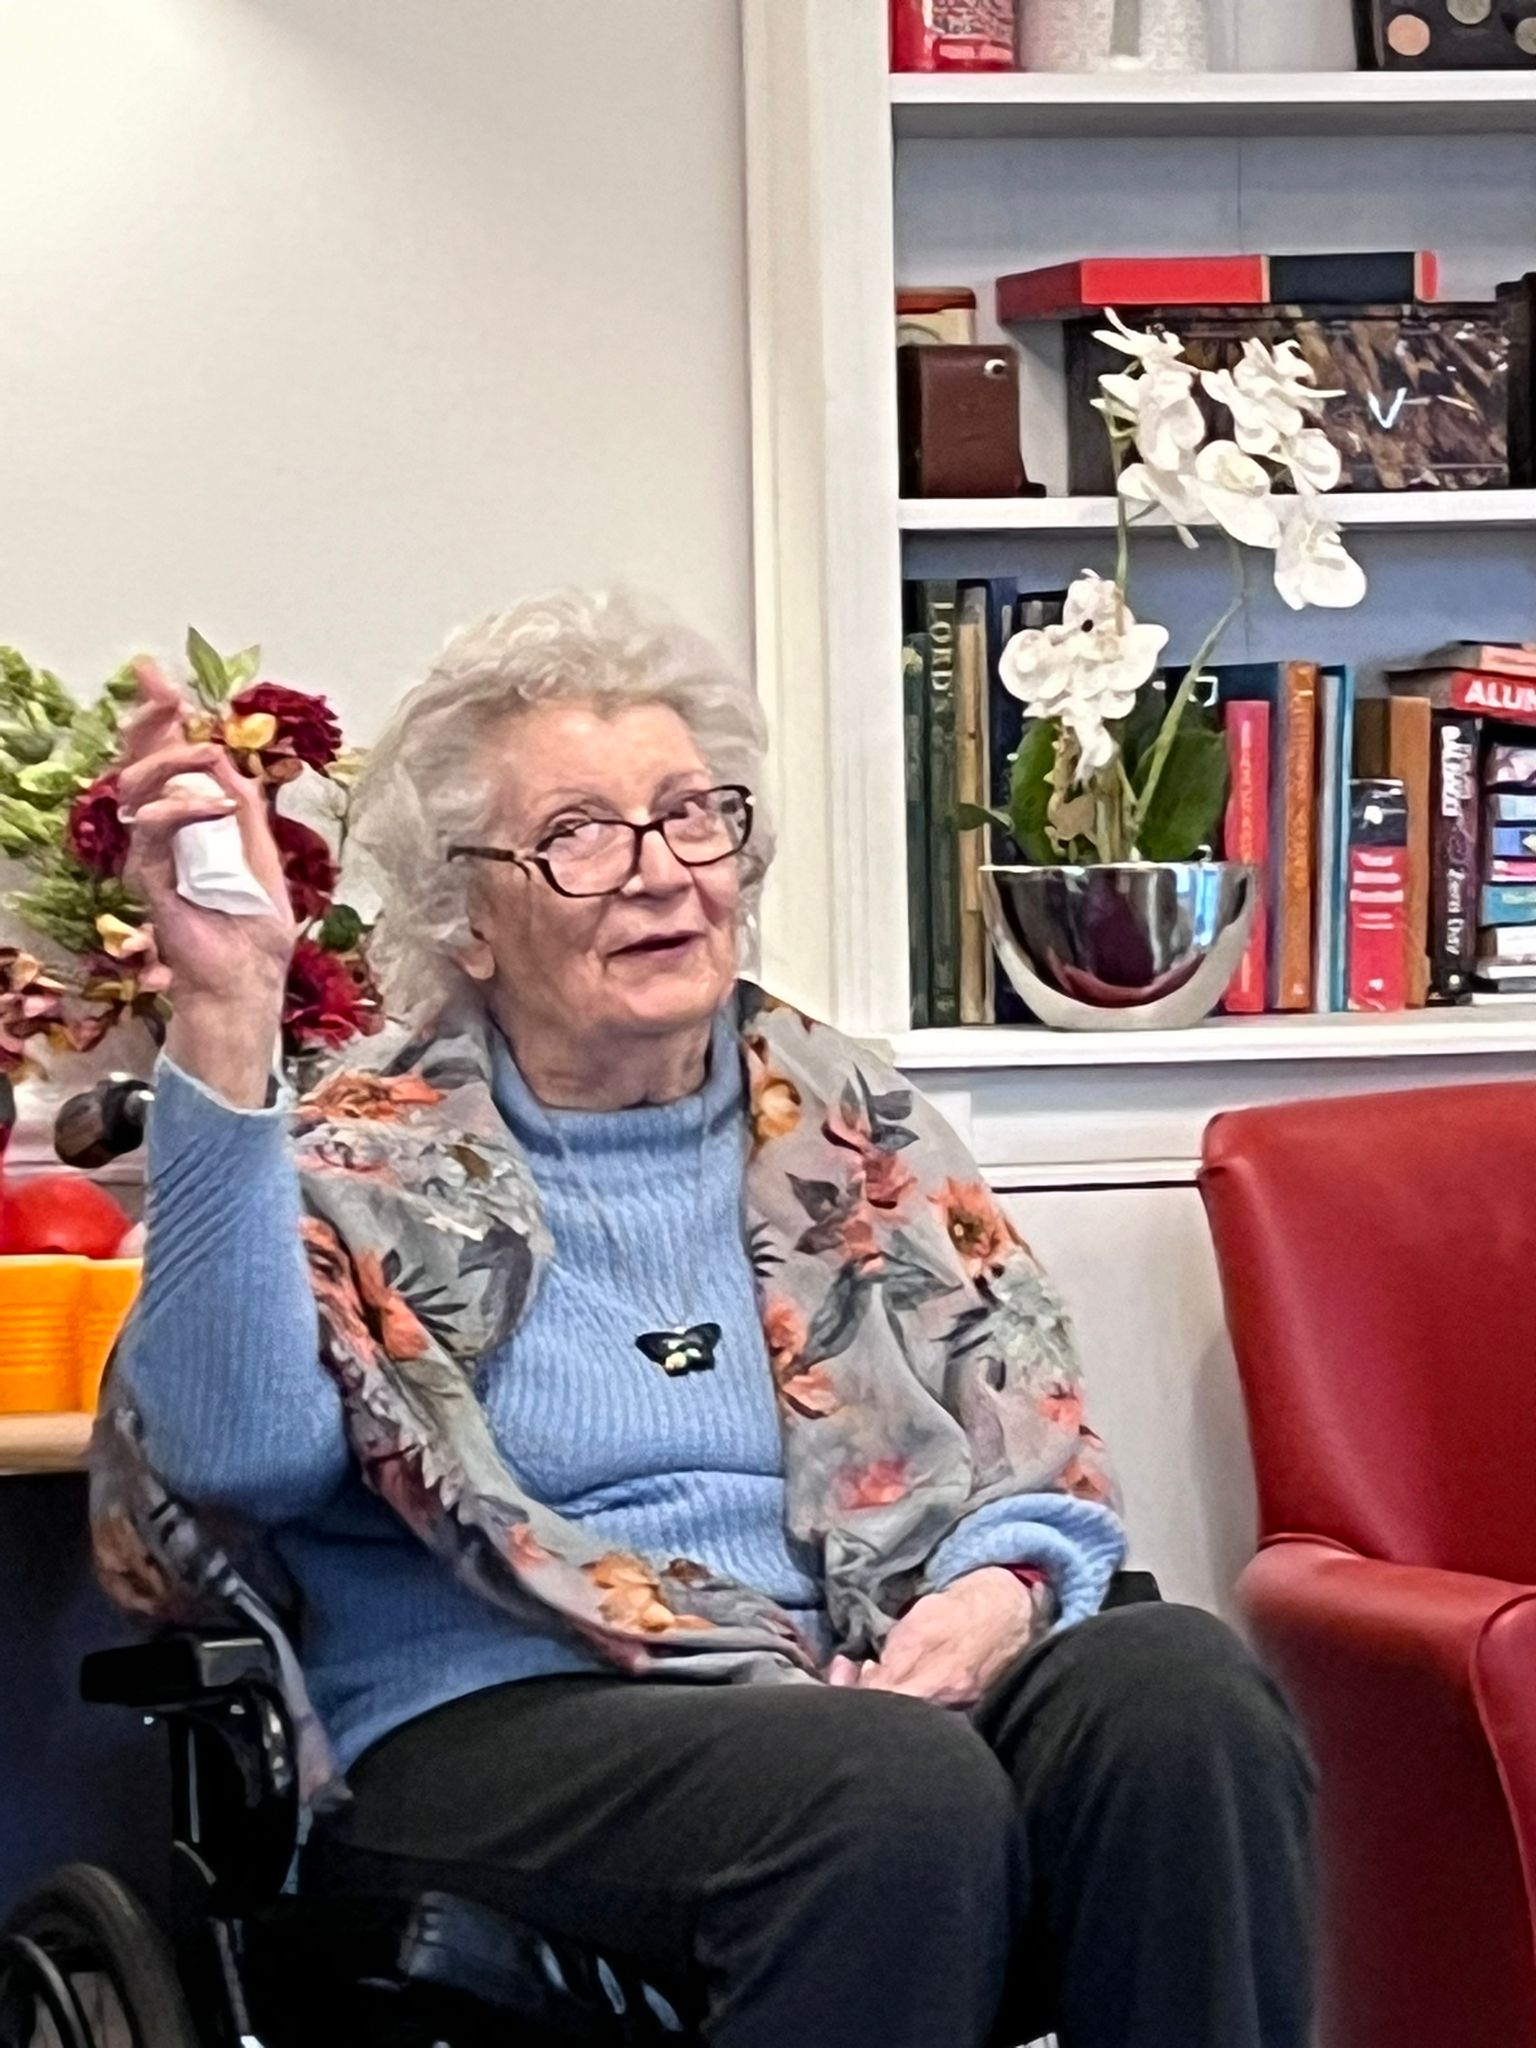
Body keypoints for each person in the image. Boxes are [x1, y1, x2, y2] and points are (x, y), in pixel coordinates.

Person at [106, 589, 1313, 2048]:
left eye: (693, 817)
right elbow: (234, 1459)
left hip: (855, 1667)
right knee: (885, 1788)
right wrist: (228, 1014)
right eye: (580, 835)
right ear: (465, 918)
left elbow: (1026, 1433)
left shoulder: (854, 1124)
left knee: (1181, 1694)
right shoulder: (364, 1162)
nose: (660, 872)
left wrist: (994, 1591)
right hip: (506, 1712)